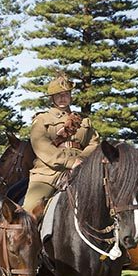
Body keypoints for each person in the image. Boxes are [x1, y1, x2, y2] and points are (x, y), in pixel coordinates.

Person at [22, 75, 100, 215]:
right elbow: (41, 145)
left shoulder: (83, 120)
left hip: (82, 170)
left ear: (70, 96)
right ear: (52, 98)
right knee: (29, 214)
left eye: (65, 94)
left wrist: (81, 159)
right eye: (58, 95)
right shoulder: (42, 119)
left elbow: (94, 143)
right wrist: (70, 162)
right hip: (48, 173)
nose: (62, 98)